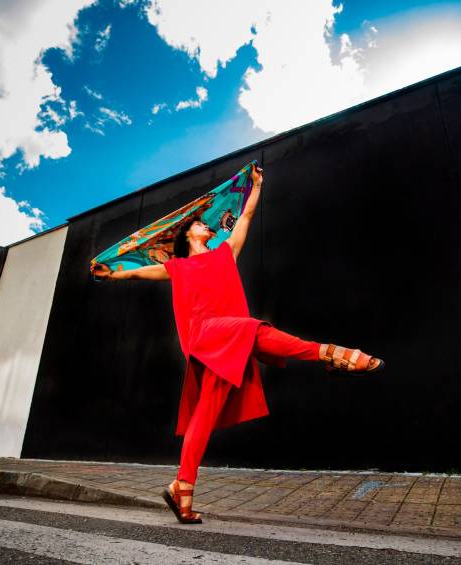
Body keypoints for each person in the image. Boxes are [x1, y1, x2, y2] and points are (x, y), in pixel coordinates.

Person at [90, 163, 385, 524]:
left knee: (205, 413)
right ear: (187, 235)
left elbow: (244, 217)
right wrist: (111, 273)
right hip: (205, 333)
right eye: (200, 224)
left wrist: (256, 188)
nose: (207, 226)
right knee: (253, 329)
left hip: (227, 339)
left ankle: (182, 487)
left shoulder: (225, 253)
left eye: (206, 224)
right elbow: (136, 271)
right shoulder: (177, 268)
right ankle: (327, 352)